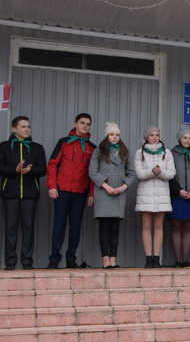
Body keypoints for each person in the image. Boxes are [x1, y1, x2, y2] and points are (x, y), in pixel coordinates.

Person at [46, 112, 96, 269]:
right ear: (75, 124)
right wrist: (52, 186)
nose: (85, 126)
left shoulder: (92, 148)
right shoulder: (64, 142)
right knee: (59, 226)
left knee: (75, 227)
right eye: (82, 123)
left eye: (87, 123)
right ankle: (54, 259)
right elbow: (53, 164)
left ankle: (71, 259)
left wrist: (91, 193)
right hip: (62, 191)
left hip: (80, 192)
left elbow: (93, 173)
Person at [1, 116, 46, 269]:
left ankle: (27, 262)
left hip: (30, 195)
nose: (27, 129)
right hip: (10, 194)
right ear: (14, 129)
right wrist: (15, 170)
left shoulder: (37, 147)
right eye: (23, 126)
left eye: (28, 126)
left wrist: (30, 170)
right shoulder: (4, 147)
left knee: (28, 229)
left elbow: (43, 169)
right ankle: (10, 263)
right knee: (10, 230)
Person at [88, 122, 136, 269]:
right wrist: (106, 186)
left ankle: (113, 259)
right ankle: (105, 260)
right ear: (107, 136)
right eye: (112, 134)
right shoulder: (99, 151)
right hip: (104, 192)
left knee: (115, 227)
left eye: (117, 135)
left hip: (119, 194)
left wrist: (123, 186)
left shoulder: (125, 151)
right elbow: (92, 172)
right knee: (104, 226)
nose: (115, 137)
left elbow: (131, 172)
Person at [134, 126, 175, 268]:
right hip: (145, 193)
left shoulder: (166, 153)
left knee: (158, 226)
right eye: (151, 134)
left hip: (162, 194)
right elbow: (138, 174)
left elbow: (171, 173)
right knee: (146, 226)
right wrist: (152, 171)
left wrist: (160, 172)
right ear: (146, 137)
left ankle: (156, 258)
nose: (154, 137)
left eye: (157, 134)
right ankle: (148, 258)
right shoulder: (140, 153)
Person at [169, 128, 190, 267]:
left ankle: (185, 260)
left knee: (188, 226)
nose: (187, 140)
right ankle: (177, 260)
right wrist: (179, 190)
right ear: (179, 139)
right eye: (185, 138)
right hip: (177, 195)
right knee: (176, 225)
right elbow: (170, 176)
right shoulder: (171, 153)